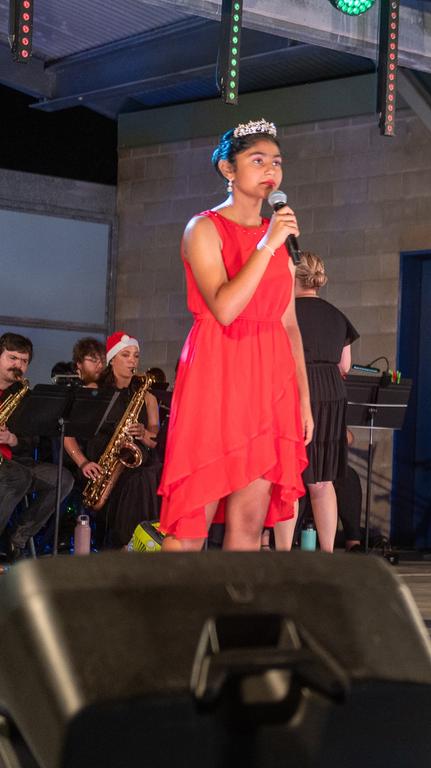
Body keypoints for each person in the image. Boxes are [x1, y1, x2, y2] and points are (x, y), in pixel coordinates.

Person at [158, 118, 312, 552]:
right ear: (228, 169)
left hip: (269, 380)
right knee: (192, 517)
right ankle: (165, 617)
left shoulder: (278, 238)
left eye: (276, 163)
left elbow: (288, 324)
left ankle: (229, 618)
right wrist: (266, 246)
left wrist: (302, 398)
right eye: (257, 160)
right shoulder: (203, 228)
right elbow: (224, 307)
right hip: (217, 370)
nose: (270, 171)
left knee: (249, 524)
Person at [273, 251, 359, 552]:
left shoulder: (285, 313)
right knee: (322, 481)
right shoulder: (337, 315)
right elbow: (345, 365)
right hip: (332, 393)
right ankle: (327, 552)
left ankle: (283, 552)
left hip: (296, 390)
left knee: (290, 479)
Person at [64, 332, 162, 549]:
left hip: (138, 463)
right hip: (103, 465)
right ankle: (126, 545)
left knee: (147, 475)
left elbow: (155, 440)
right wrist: (82, 462)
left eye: (136, 356)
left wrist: (144, 433)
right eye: (125, 355)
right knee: (140, 480)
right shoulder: (94, 392)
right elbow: (67, 434)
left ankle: (138, 544)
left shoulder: (148, 397)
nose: (132, 361)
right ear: (112, 359)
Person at [0, 333, 74, 561]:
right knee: (17, 476)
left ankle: (15, 540)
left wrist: (13, 439)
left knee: (62, 478)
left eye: (24, 361)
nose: (18, 366)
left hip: (14, 460)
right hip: (11, 471)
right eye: (12, 358)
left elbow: (32, 441)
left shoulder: (26, 397)